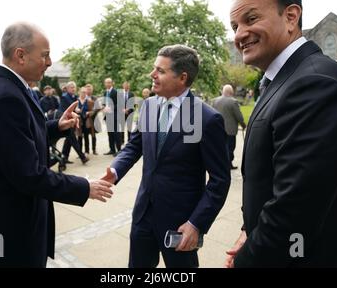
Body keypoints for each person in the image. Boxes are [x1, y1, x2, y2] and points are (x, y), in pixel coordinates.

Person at [226, 0, 337, 267]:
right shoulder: (283, 79)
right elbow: (270, 177)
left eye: (251, 19)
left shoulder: (314, 83)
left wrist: (247, 260)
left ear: (290, 17)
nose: (240, 34)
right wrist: (247, 230)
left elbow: (296, 209)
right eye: (235, 26)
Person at [0, 22, 113, 267]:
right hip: (5, 230)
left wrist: (55, 126)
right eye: (45, 55)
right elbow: (27, 174)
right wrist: (84, 187)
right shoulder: (4, 97)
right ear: (20, 55)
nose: (50, 62)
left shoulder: (10, 88)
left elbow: (19, 137)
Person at [101, 44, 231, 268]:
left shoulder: (207, 119)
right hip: (143, 214)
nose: (152, 75)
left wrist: (196, 223)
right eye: (154, 69)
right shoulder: (149, 106)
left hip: (181, 224)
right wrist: (114, 171)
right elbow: (135, 145)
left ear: (182, 77)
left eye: (160, 71)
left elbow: (220, 180)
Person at [212, 85, 246, 170]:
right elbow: (239, 116)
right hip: (230, 130)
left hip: (217, 129)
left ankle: (220, 164)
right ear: (231, 92)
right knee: (230, 147)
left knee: (219, 147)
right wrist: (243, 125)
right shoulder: (233, 102)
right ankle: (228, 164)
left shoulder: (215, 101)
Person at [102, 78, 121, 156]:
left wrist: (111, 108)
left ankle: (119, 150)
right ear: (105, 84)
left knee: (116, 133)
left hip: (115, 115)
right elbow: (104, 103)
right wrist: (103, 107)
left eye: (109, 82)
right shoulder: (105, 92)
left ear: (112, 83)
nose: (108, 84)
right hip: (108, 116)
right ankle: (112, 149)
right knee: (110, 133)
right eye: (106, 83)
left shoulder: (116, 92)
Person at [84, 83, 99, 155]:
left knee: (93, 135)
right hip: (85, 119)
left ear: (92, 90)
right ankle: (86, 151)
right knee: (86, 135)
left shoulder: (95, 98)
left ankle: (94, 150)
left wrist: (93, 112)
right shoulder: (83, 97)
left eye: (90, 89)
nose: (89, 91)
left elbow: (97, 108)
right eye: (87, 89)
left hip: (93, 119)